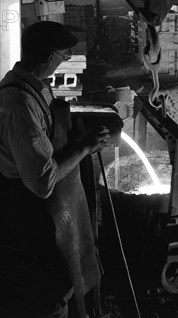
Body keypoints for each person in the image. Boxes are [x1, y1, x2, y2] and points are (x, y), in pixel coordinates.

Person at [0, 21, 111, 318]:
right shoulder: (19, 104)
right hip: (31, 208)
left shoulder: (32, 85)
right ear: (49, 58)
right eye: (63, 56)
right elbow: (42, 181)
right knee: (47, 290)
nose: (63, 62)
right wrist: (84, 147)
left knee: (61, 280)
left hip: (45, 206)